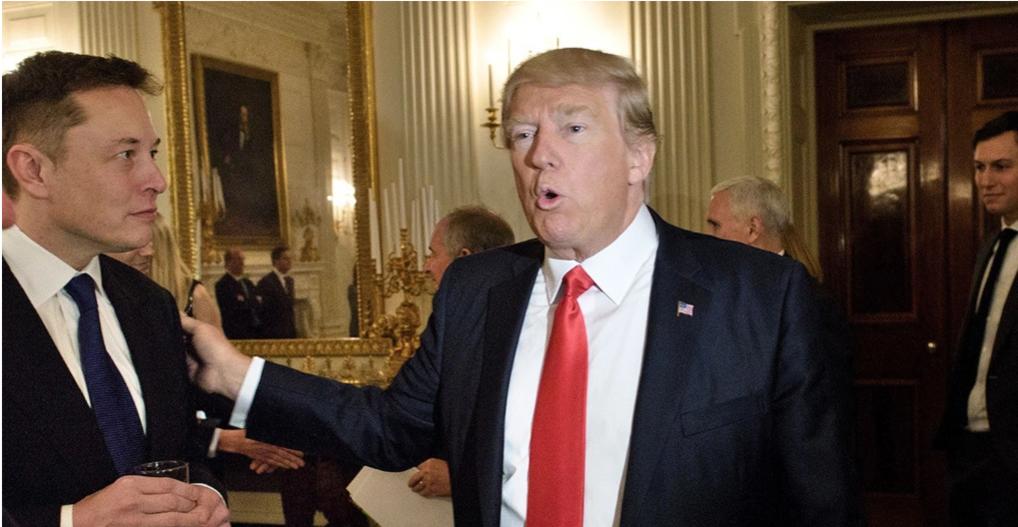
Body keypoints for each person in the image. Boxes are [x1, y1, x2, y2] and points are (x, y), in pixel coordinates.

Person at [186, 47, 861, 525]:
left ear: (639, 155)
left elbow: (822, 504)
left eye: (573, 127)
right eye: (522, 134)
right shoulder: (477, 290)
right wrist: (235, 375)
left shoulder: (760, 296)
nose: (540, 154)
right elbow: (390, 427)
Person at [2, 51, 228, 527]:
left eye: (152, 153)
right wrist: (69, 522)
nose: (157, 181)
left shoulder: (150, 304)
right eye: (126, 155)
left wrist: (205, 493)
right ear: (34, 170)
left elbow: (181, 449)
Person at [109, 219, 304, 478]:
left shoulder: (191, 296)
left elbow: (215, 379)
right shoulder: (102, 301)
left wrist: (253, 431)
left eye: (149, 242)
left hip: (193, 451)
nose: (147, 251)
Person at [936, 111, 1018, 526]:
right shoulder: (991, 246)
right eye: (980, 167)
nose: (986, 180)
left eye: (1001, 167)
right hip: (970, 447)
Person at [410, 205, 515, 498]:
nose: (426, 267)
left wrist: (462, 478)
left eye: (433, 254)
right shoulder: (455, 320)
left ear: (464, 258)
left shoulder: (514, 326)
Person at [706, 175, 823, 280]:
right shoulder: (723, 282)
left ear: (753, 229)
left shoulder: (797, 290)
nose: (708, 235)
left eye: (716, 225)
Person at [215, 248, 262, 339]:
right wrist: (250, 302)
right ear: (229, 262)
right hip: (236, 333)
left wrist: (246, 301)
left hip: (253, 331)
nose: (242, 263)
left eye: (243, 259)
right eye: (239, 259)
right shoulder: (222, 285)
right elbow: (234, 308)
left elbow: (258, 304)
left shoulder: (248, 283)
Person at [256, 246, 297, 339]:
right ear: (276, 261)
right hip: (274, 334)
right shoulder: (266, 282)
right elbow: (264, 311)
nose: (289, 261)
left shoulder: (290, 281)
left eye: (290, 258)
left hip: (289, 333)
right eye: (285, 258)